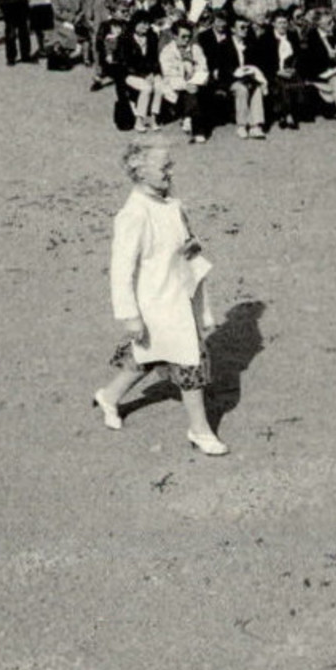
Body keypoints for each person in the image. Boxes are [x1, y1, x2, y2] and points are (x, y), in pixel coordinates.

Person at [93, 143, 228, 456]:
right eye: (164, 168)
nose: (171, 172)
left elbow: (181, 239)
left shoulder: (170, 203)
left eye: (171, 166)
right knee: (189, 358)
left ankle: (109, 396)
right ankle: (200, 430)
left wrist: (192, 246)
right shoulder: (134, 214)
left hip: (179, 291)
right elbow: (120, 271)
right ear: (140, 171)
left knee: (150, 355)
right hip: (156, 300)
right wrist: (130, 315)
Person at [159, 19, 213, 144]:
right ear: (174, 36)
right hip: (177, 88)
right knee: (191, 94)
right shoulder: (167, 52)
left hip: (196, 84)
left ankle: (189, 118)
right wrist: (185, 85)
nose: (186, 40)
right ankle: (198, 130)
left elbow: (203, 67)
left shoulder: (195, 49)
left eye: (189, 37)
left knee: (196, 92)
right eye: (183, 37)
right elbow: (169, 77)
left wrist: (196, 79)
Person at [121, 10, 165, 133]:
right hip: (131, 74)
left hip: (149, 73)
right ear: (135, 23)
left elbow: (155, 59)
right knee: (146, 88)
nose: (146, 27)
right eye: (143, 24)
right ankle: (139, 120)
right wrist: (144, 75)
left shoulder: (152, 38)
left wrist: (153, 72)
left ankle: (154, 117)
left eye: (148, 24)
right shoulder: (125, 39)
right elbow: (125, 63)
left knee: (160, 86)